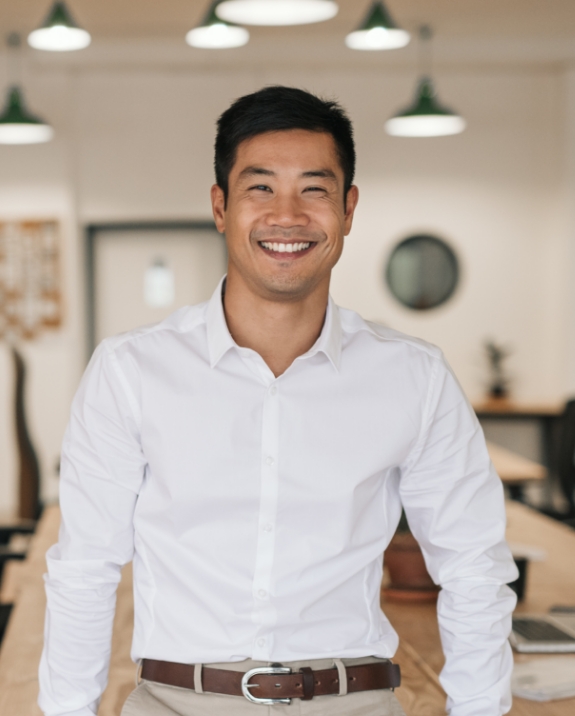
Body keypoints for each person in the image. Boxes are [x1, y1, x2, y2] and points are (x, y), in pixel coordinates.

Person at [39, 86, 517, 716]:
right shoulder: (130, 371)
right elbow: (85, 569)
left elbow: (474, 566)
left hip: (355, 700)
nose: (287, 215)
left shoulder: (414, 376)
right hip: (177, 701)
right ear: (220, 206)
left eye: (314, 189)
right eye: (260, 187)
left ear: (348, 210)